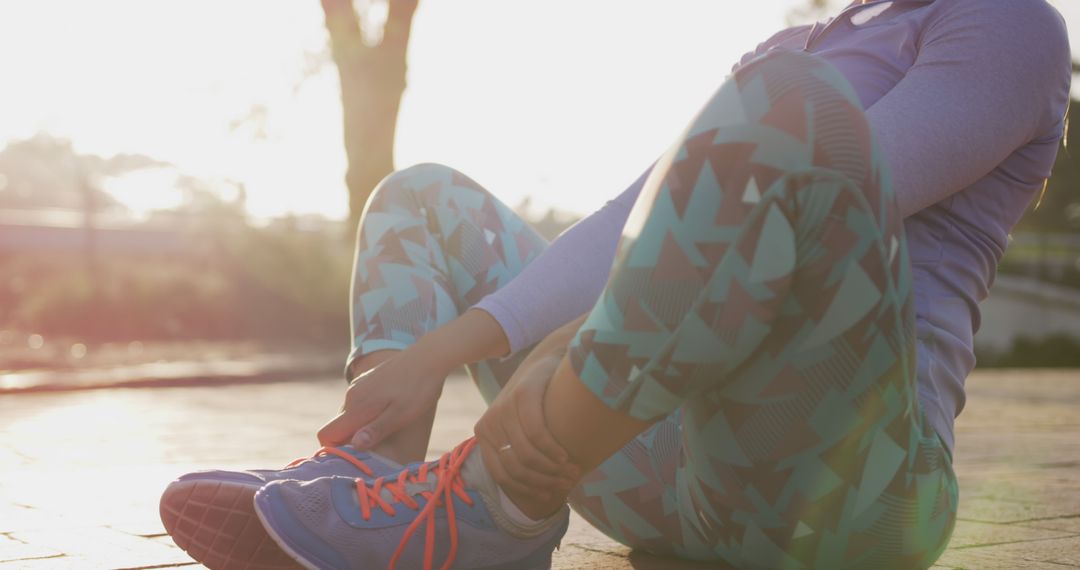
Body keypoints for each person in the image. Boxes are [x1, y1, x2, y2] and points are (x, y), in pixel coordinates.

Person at [160, 0, 1071, 568]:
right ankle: (381, 485)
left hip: (849, 499)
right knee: (422, 199)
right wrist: (436, 354)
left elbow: (822, 197)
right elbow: (635, 222)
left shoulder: (1004, 22)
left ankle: (490, 502)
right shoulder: (792, 45)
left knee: (789, 110)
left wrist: (584, 342)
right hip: (665, 483)